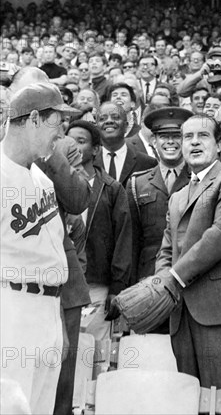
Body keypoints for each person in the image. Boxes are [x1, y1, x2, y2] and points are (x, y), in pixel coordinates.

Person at [155, 114, 221, 388]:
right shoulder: (176, 196)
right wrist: (161, 283)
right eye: (188, 137)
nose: (194, 142)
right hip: (181, 312)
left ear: (219, 145)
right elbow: (166, 248)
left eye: (203, 136)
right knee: (189, 398)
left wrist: (173, 278)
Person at [0, 83, 77, 414]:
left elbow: (54, 255)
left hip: (48, 308)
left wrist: (56, 321)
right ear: (33, 119)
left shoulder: (43, 179)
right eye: (55, 123)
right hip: (11, 306)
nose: (60, 134)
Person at [66, 120, 132, 340]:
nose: (73, 145)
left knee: (94, 354)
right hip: (61, 281)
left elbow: (123, 239)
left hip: (96, 284)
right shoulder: (51, 183)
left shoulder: (111, 188)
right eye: (69, 140)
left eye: (81, 141)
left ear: (95, 150)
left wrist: (117, 287)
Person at [127, 107, 192, 286]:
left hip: (190, 273)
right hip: (149, 277)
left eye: (177, 136)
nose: (170, 142)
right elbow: (132, 241)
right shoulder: (137, 183)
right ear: (153, 141)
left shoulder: (199, 179)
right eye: (164, 137)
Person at [94, 101, 157, 187]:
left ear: (126, 126)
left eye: (115, 117)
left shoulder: (147, 163)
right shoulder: (89, 162)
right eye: (102, 119)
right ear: (97, 127)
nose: (109, 121)